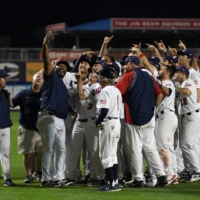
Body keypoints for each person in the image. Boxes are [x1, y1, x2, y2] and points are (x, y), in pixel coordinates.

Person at [115, 55, 168, 187]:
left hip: (134, 118)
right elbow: (160, 94)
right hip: (149, 117)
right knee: (150, 148)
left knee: (134, 149)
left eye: (126, 64)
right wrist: (153, 108)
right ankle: (161, 176)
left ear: (133, 64)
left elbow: (116, 92)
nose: (123, 66)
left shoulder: (128, 76)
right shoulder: (150, 76)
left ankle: (138, 179)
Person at [36, 31, 69, 187]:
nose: (62, 67)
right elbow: (46, 61)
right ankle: (45, 179)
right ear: (54, 67)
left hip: (60, 119)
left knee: (61, 150)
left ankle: (58, 177)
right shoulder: (50, 76)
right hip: (48, 116)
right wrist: (45, 44)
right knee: (49, 149)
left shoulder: (62, 85)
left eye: (65, 66)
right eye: (59, 65)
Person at [10, 72, 44, 183]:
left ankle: (38, 172)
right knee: (28, 154)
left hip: (42, 129)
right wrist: (7, 95)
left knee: (41, 153)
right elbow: (12, 104)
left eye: (41, 77)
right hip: (27, 128)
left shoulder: (45, 94)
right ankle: (29, 175)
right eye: (37, 77)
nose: (39, 78)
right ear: (32, 80)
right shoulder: (24, 93)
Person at [95, 65, 122, 192]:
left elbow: (104, 110)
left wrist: (97, 121)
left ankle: (110, 184)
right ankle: (115, 182)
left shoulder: (105, 90)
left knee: (105, 155)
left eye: (100, 77)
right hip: (116, 123)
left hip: (108, 123)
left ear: (104, 79)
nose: (99, 79)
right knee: (112, 155)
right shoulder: (116, 90)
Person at [174, 66, 200, 182]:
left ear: (183, 73)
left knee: (186, 144)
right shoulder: (181, 86)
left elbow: (187, 92)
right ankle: (190, 170)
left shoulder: (188, 82)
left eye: (177, 72)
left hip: (193, 115)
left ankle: (196, 171)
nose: (175, 74)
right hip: (185, 117)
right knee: (189, 145)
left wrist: (175, 87)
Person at [0, 69, 16, 186]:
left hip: (5, 127)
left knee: (6, 153)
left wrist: (9, 95)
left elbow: (11, 105)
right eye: (3, 78)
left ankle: (7, 178)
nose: (6, 80)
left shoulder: (5, 92)